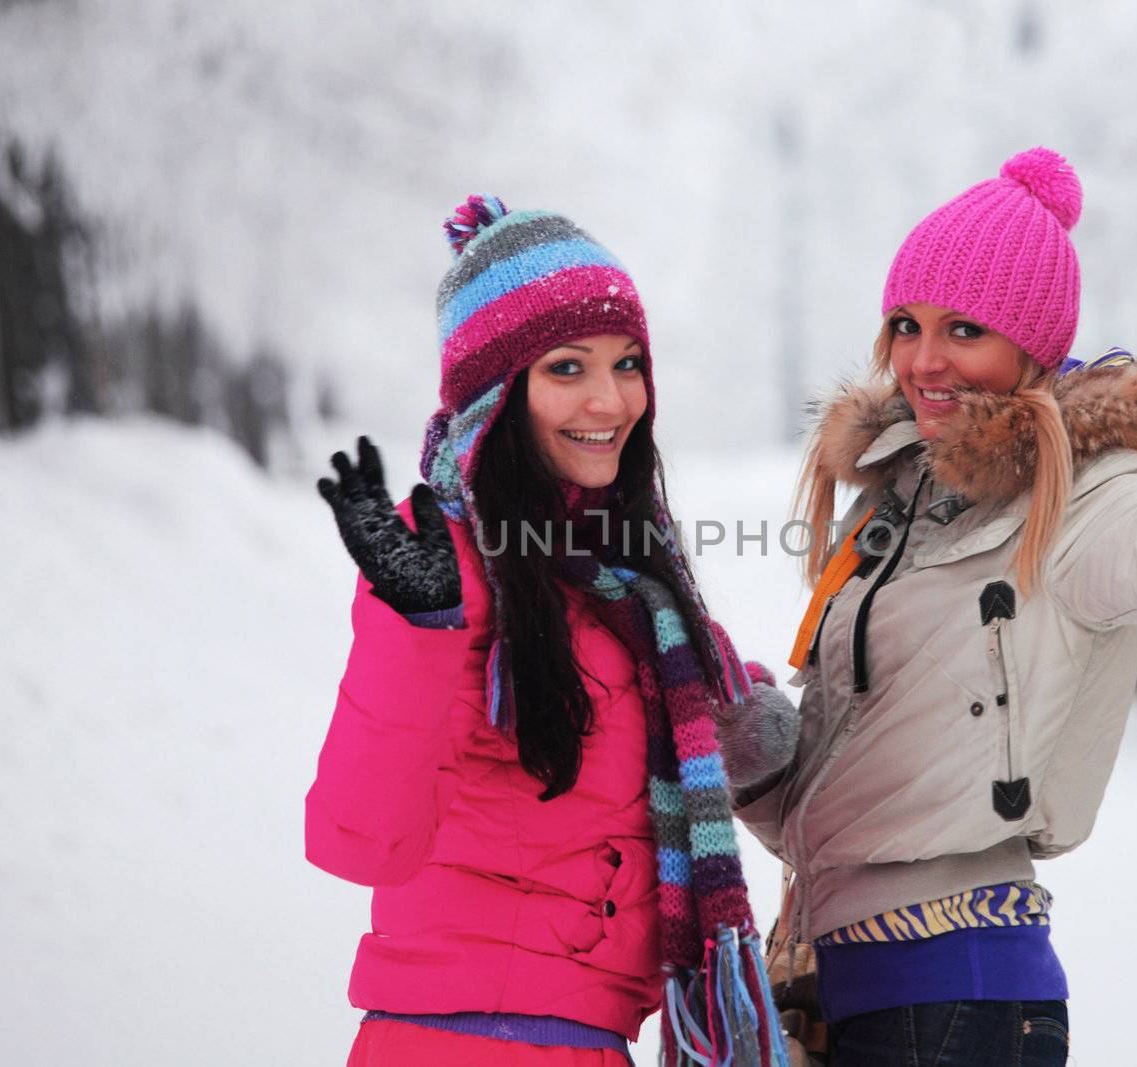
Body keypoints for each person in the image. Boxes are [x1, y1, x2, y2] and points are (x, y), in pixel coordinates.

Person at [719, 119, 1137, 1065]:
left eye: (965, 329)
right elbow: (902, 778)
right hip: (845, 986)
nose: (925, 360)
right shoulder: (898, 498)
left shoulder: (1079, 498)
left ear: (1033, 346)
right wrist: (772, 781)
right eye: (908, 326)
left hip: (952, 994)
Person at [308, 195, 792, 1066]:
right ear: (496, 396)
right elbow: (359, 836)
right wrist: (414, 624)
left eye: (628, 363)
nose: (610, 399)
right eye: (566, 367)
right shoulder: (450, 571)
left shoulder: (631, 598)